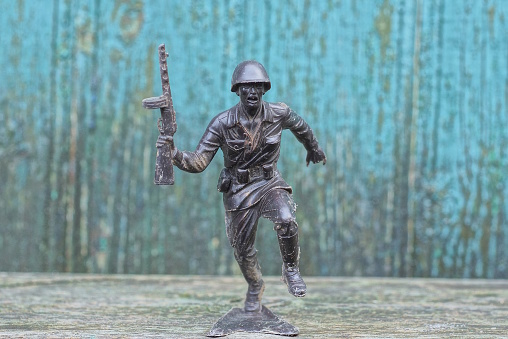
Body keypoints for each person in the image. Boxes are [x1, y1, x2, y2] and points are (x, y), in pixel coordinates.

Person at [157, 60, 326, 312]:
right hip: (238, 190)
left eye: (257, 86)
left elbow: (301, 128)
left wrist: (313, 148)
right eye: (246, 87)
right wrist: (175, 154)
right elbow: (199, 161)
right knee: (243, 250)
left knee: (287, 218)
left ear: (264, 89)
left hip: (269, 183)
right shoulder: (222, 123)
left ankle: (291, 269)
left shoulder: (278, 113)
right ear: (237, 90)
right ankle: (255, 285)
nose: (252, 92)